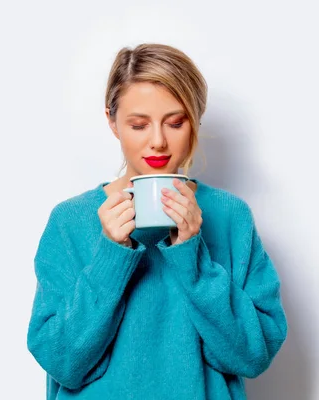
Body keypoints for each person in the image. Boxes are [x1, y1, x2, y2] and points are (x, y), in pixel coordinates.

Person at [26, 43, 288, 399]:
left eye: (175, 122)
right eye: (138, 124)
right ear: (112, 122)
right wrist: (110, 258)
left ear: (196, 119)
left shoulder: (229, 217)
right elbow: (63, 362)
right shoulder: (70, 222)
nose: (158, 142)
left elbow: (252, 357)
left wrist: (193, 258)